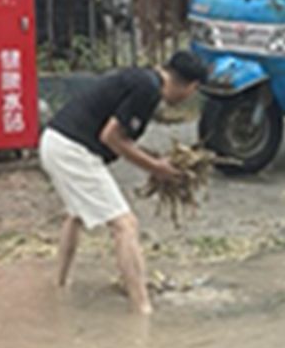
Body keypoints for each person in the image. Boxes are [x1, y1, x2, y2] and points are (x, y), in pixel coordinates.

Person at [39, 51, 209, 314]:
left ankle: (59, 286)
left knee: (76, 215)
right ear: (191, 87)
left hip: (54, 141)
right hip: (73, 150)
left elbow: (121, 138)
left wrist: (153, 159)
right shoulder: (148, 90)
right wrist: (156, 168)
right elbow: (112, 138)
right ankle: (142, 309)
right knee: (125, 224)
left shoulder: (143, 79)